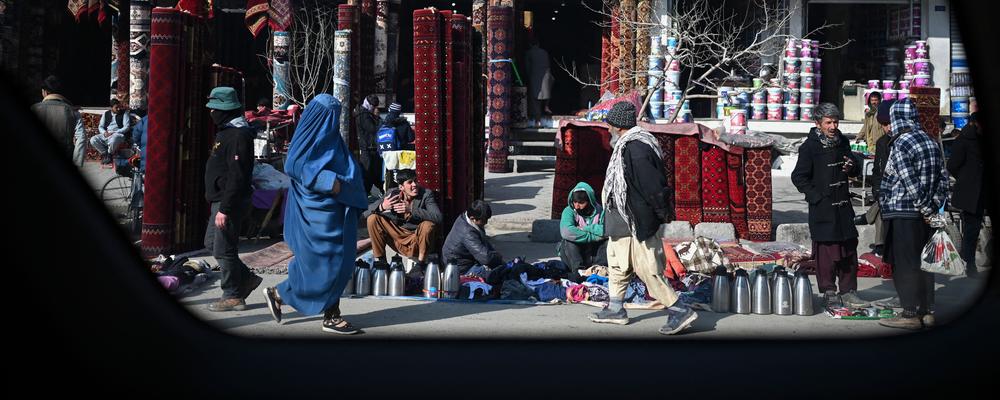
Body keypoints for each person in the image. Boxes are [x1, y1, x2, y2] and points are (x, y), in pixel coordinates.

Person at [261, 94, 369, 334]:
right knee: (322, 266)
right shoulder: (305, 140)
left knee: (338, 265)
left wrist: (346, 184)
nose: (334, 121)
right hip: (316, 217)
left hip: (336, 214)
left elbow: (347, 170)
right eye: (330, 116)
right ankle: (318, 310)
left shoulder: (333, 142)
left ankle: (293, 299)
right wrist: (329, 181)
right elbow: (294, 165)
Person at [588, 101, 697, 336]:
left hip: (638, 220)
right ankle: (616, 309)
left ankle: (679, 309)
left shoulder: (637, 149)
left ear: (618, 126)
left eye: (609, 126)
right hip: (621, 220)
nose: (607, 130)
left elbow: (653, 186)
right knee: (617, 264)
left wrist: (659, 213)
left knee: (648, 268)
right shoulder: (626, 147)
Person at [877, 98, 950, 330]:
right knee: (924, 263)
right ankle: (927, 311)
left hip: (904, 212)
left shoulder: (901, 143)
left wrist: (925, 207)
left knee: (905, 264)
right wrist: (933, 207)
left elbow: (909, 181)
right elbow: (943, 180)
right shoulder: (930, 141)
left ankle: (909, 313)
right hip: (925, 214)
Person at [791, 103, 867, 309]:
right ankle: (829, 291)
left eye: (835, 121)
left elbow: (852, 167)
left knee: (849, 250)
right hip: (823, 207)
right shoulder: (810, 147)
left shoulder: (842, 141)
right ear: (818, 124)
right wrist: (816, 197)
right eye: (828, 122)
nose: (833, 126)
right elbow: (798, 176)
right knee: (826, 252)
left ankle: (849, 291)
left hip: (843, 206)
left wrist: (852, 166)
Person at [202, 86, 263, 312]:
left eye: (214, 109)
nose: (211, 113)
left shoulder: (238, 135)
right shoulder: (226, 132)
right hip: (220, 200)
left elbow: (237, 175)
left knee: (224, 249)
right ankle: (246, 278)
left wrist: (225, 209)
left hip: (229, 202)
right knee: (212, 243)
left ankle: (232, 295)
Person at [364, 169, 442, 266]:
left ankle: (421, 264)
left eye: (416, 181)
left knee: (428, 225)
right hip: (397, 236)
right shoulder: (392, 194)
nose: (415, 185)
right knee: (373, 218)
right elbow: (365, 212)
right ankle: (381, 261)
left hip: (416, 237)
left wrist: (411, 209)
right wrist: (382, 206)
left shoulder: (426, 194)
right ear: (401, 187)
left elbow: (438, 217)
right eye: (410, 182)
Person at [947, 112, 987, 278]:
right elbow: (952, 165)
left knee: (974, 229)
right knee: (971, 229)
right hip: (969, 192)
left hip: (981, 191)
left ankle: (967, 260)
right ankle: (968, 263)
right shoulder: (963, 141)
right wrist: (965, 178)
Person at [31, 75, 85, 165]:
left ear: (45, 92)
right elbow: (81, 138)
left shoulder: (34, 108)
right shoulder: (72, 111)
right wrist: (77, 163)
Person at [558, 182, 607, 276]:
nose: (577, 206)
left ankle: (599, 269)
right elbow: (567, 231)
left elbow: (606, 230)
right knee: (569, 240)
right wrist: (594, 236)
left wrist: (586, 228)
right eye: (575, 202)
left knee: (608, 241)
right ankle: (579, 271)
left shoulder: (600, 211)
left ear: (590, 201)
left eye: (581, 203)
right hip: (575, 256)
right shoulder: (569, 211)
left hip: (594, 253)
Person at [442, 200, 503, 274]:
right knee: (497, 273)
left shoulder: (465, 218)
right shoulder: (467, 232)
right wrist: (498, 257)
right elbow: (486, 258)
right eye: (484, 220)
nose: (486, 222)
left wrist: (495, 256)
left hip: (465, 262)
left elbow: (485, 246)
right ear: (472, 218)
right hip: (460, 270)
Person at [90, 98, 131, 165]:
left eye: (119, 107)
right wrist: (104, 132)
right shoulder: (106, 114)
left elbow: (126, 127)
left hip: (118, 134)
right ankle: (105, 153)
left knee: (114, 138)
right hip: (107, 134)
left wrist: (115, 132)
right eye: (116, 107)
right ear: (111, 108)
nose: (118, 109)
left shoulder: (124, 113)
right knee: (93, 139)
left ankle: (110, 154)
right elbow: (100, 126)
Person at [356, 94, 383, 194]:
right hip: (367, 147)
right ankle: (365, 193)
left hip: (371, 147)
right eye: (373, 106)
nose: (374, 108)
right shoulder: (363, 114)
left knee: (373, 171)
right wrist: (378, 122)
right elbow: (371, 129)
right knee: (367, 171)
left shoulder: (366, 113)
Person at [524, 36, 554, 127]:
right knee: (546, 94)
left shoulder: (529, 53)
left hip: (535, 77)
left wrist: (527, 77)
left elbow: (527, 67)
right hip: (547, 76)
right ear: (538, 44)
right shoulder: (544, 52)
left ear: (530, 45)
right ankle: (546, 106)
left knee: (535, 99)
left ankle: (538, 121)